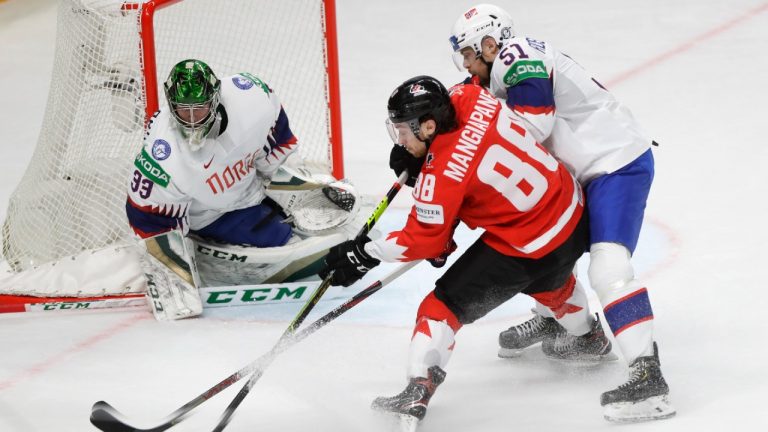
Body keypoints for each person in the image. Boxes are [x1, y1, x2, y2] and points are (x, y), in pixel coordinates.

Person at [320, 76, 605, 425]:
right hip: (571, 214)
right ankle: (590, 338)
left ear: (428, 126)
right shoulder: (468, 96)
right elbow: (467, 160)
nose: (400, 140)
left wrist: (362, 255)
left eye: (404, 132)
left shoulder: (441, 175)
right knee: (550, 282)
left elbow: (423, 240)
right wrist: (425, 162)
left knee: (440, 308)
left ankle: (417, 390)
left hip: (528, 242)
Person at [448, 4, 674, 422]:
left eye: (467, 53)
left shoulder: (518, 57)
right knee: (538, 246)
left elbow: (531, 129)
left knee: (608, 269)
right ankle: (566, 326)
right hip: (583, 171)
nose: (464, 63)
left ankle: (649, 378)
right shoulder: (498, 68)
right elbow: (464, 105)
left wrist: (463, 158)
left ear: (490, 44)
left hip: (615, 164)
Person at [126, 59, 357, 284]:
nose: (194, 120)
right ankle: (219, 261)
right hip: (213, 214)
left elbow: (276, 138)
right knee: (281, 238)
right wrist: (174, 273)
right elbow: (148, 216)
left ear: (215, 98)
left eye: (200, 109)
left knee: (330, 211)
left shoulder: (250, 97)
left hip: (253, 187)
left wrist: (294, 182)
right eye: (184, 111)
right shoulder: (162, 155)